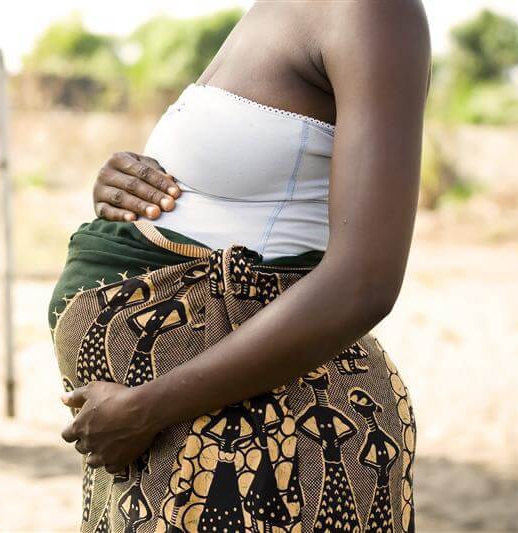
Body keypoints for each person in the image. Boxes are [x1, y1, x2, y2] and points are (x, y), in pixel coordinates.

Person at [48, 2, 430, 532]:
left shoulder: (373, 12)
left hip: (264, 435)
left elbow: (364, 282)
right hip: (186, 432)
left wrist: (147, 408)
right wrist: (123, 191)